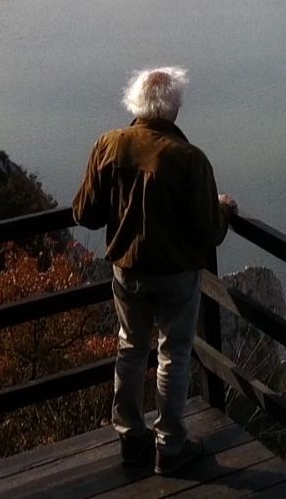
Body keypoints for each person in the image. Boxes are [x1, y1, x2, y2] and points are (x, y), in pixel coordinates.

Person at [72, 66, 237, 476]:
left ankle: (130, 438)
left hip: (127, 270)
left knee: (130, 347)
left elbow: (84, 213)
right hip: (176, 275)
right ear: (174, 109)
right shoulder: (189, 159)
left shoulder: (108, 145)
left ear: (136, 103)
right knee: (174, 354)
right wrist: (223, 209)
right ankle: (171, 446)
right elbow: (211, 231)